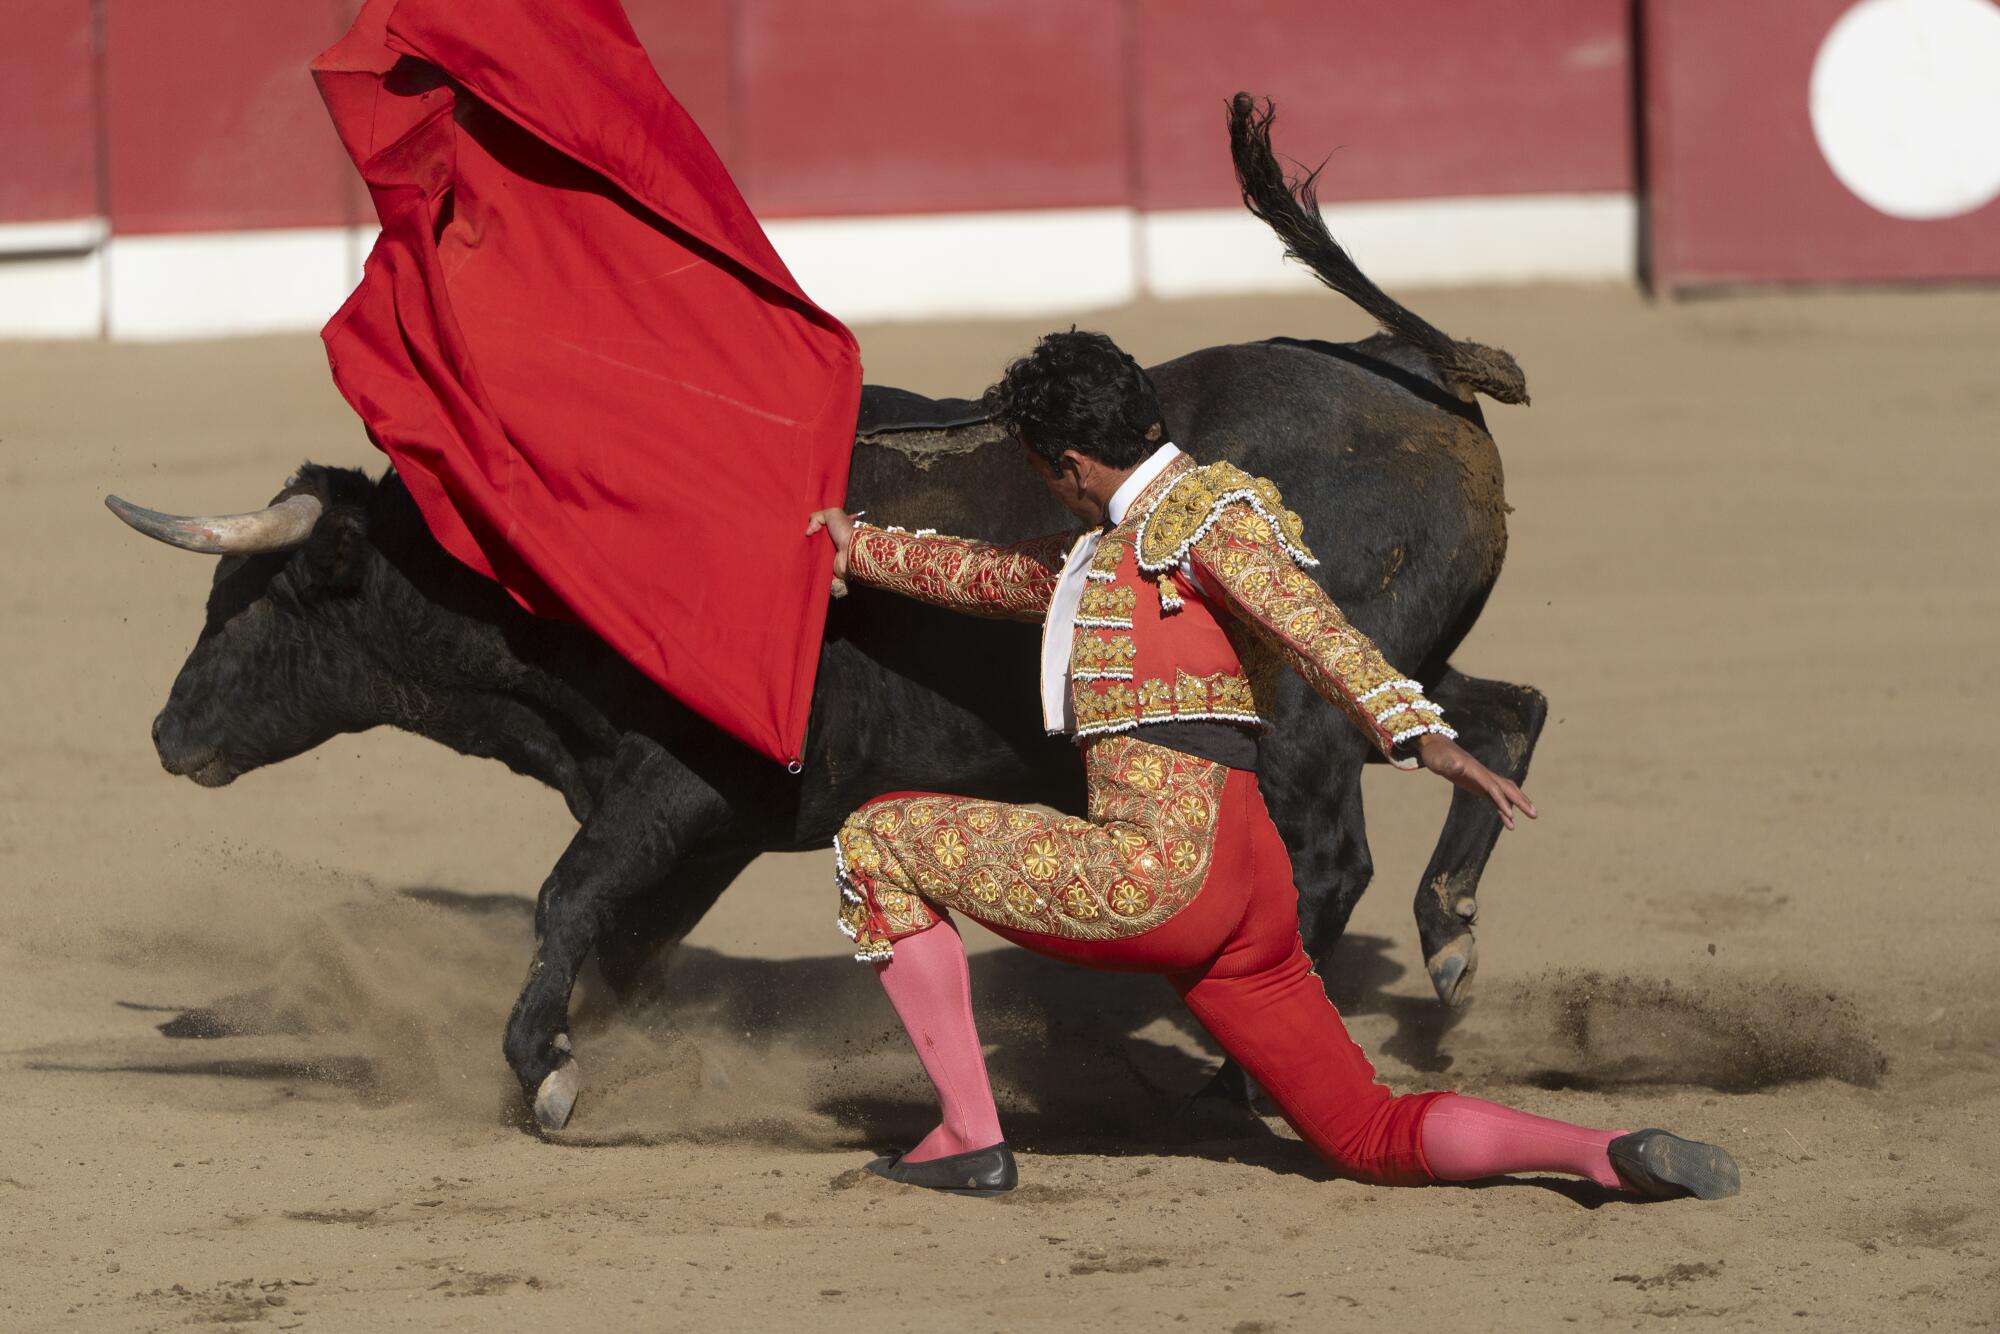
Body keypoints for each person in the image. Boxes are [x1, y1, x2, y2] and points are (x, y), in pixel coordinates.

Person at [807, 330, 1739, 1201]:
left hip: (1163, 869)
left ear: (1074, 464)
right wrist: (865, 548)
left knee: (877, 839)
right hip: (1248, 891)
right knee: (1364, 1132)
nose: (1049, 490)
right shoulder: (1115, 549)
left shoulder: (1210, 519)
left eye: (1044, 473)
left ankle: (967, 1134)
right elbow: (996, 577)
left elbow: (1310, 625)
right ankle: (1600, 1154)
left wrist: (1422, 734)